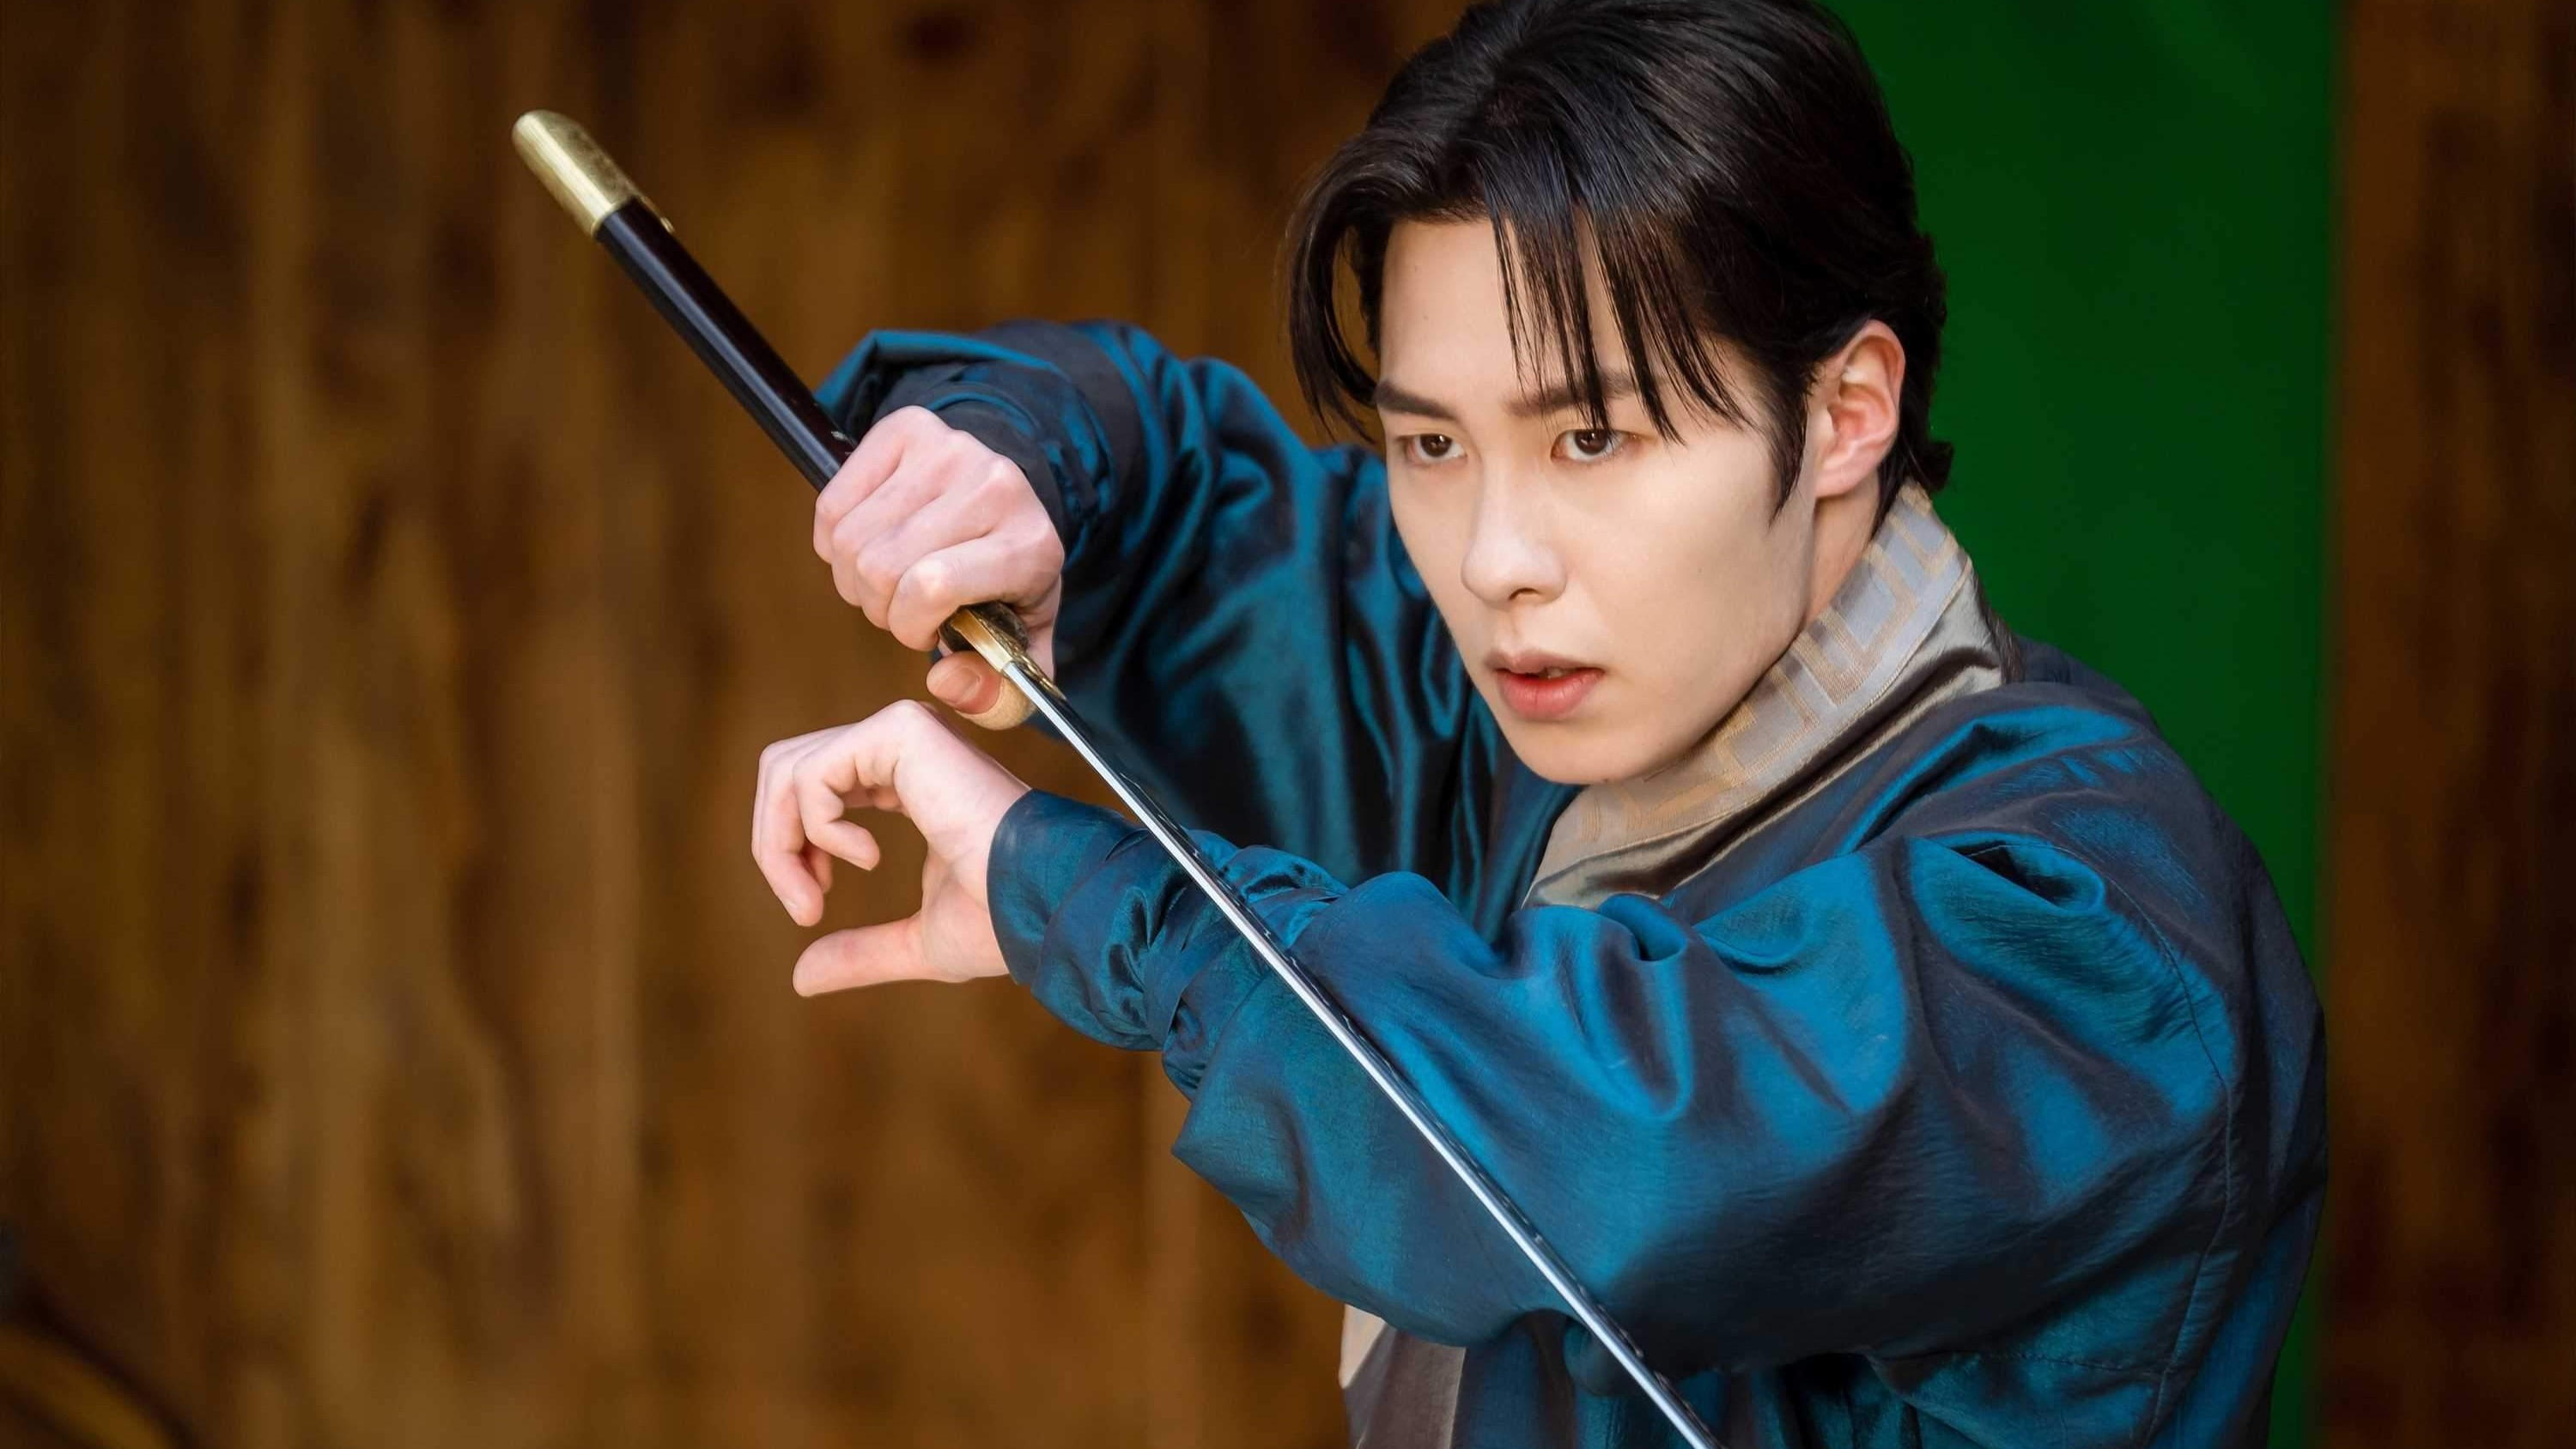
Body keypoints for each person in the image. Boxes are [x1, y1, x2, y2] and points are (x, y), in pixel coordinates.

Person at [745, 1, 2325, 1443]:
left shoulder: (2096, 931)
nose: (1497, 559)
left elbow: (1618, 1140)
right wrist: (1005, 467)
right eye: (1433, 445)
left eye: (1592, 436)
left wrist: (1103, 905)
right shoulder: (1515, 712)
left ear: (1847, 412)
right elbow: (1165, 499)